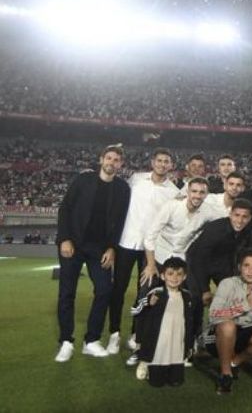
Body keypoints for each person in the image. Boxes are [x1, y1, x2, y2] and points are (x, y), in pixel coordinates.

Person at [55, 145, 131, 362]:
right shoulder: (83, 180)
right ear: (101, 159)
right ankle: (66, 341)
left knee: (105, 290)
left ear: (121, 164)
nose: (112, 162)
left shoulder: (123, 189)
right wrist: (64, 238)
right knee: (67, 293)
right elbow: (65, 208)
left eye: (116, 160)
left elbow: (120, 223)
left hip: (100, 249)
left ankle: (91, 340)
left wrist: (112, 248)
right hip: (73, 245)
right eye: (109, 158)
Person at [108, 148, 179, 355]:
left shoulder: (174, 192)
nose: (163, 164)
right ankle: (114, 333)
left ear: (171, 165)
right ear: (152, 161)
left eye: (167, 161)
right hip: (126, 242)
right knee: (118, 290)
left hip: (151, 250)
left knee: (145, 292)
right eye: (159, 160)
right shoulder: (136, 179)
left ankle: (135, 333)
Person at [185, 199, 252, 338]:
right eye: (237, 215)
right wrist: (205, 290)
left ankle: (215, 334)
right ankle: (192, 339)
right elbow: (199, 259)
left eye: (245, 217)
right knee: (196, 299)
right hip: (197, 262)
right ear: (230, 214)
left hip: (222, 264)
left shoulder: (251, 231)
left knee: (233, 297)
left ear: (250, 218)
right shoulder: (215, 229)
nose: (240, 220)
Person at [205, 249, 252, 394]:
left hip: (242, 334)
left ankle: (234, 362)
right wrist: (244, 306)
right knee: (228, 326)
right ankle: (226, 375)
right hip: (218, 335)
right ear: (239, 267)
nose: (250, 270)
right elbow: (213, 314)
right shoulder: (227, 284)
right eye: (246, 265)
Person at [131, 256, 193, 387]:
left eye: (179, 274)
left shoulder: (187, 296)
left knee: (176, 381)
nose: (174, 278)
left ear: (184, 277)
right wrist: (148, 303)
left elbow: (189, 322)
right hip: (158, 342)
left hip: (177, 342)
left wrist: (189, 344)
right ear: (163, 276)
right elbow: (135, 311)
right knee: (156, 383)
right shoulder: (156, 293)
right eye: (170, 274)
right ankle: (146, 364)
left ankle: (174, 369)